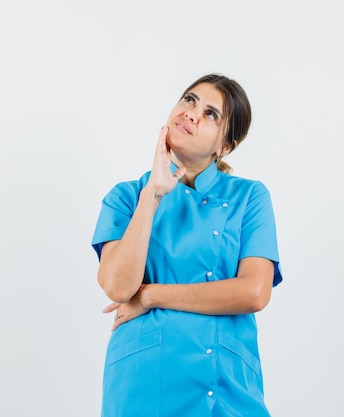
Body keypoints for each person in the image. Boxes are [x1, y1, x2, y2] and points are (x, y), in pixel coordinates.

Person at [91, 73, 283, 417]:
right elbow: (118, 286)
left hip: (226, 387)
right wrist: (154, 192)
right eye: (189, 100)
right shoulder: (126, 197)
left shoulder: (249, 197)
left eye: (211, 113)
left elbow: (254, 292)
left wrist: (151, 296)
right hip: (144, 385)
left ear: (225, 146)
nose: (192, 112)